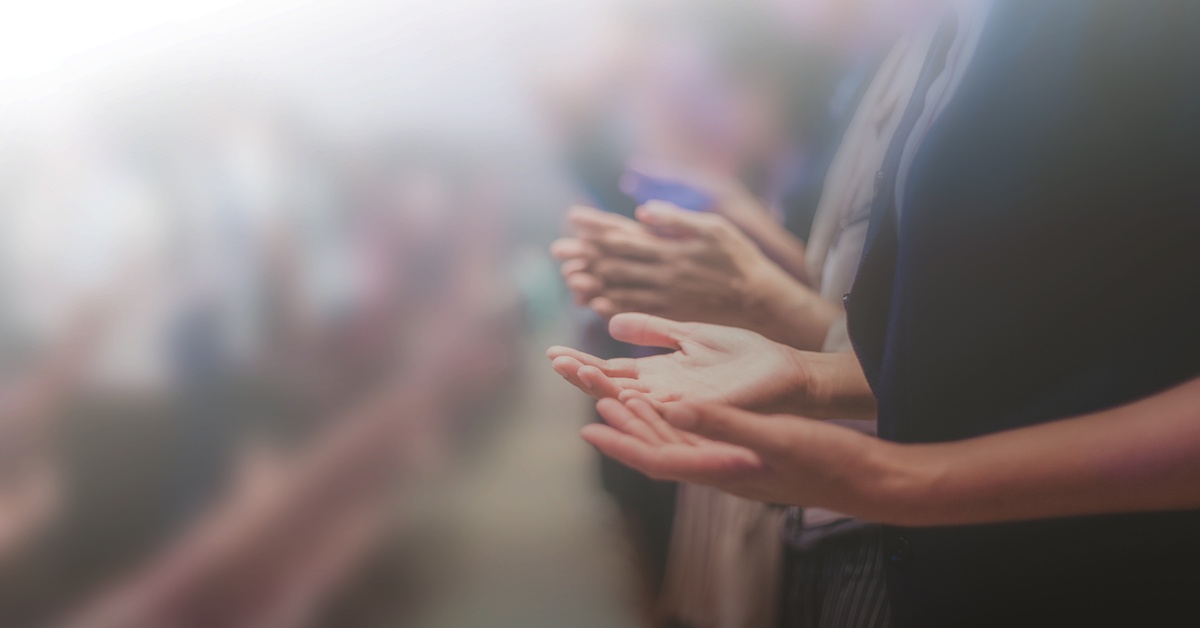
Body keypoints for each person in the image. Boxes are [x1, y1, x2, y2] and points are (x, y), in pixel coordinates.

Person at [551, 0, 1200, 625]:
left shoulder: (1112, 26)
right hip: (932, 564)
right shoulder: (937, 44)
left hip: (1088, 575)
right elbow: (976, 341)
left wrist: (889, 476)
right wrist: (807, 373)